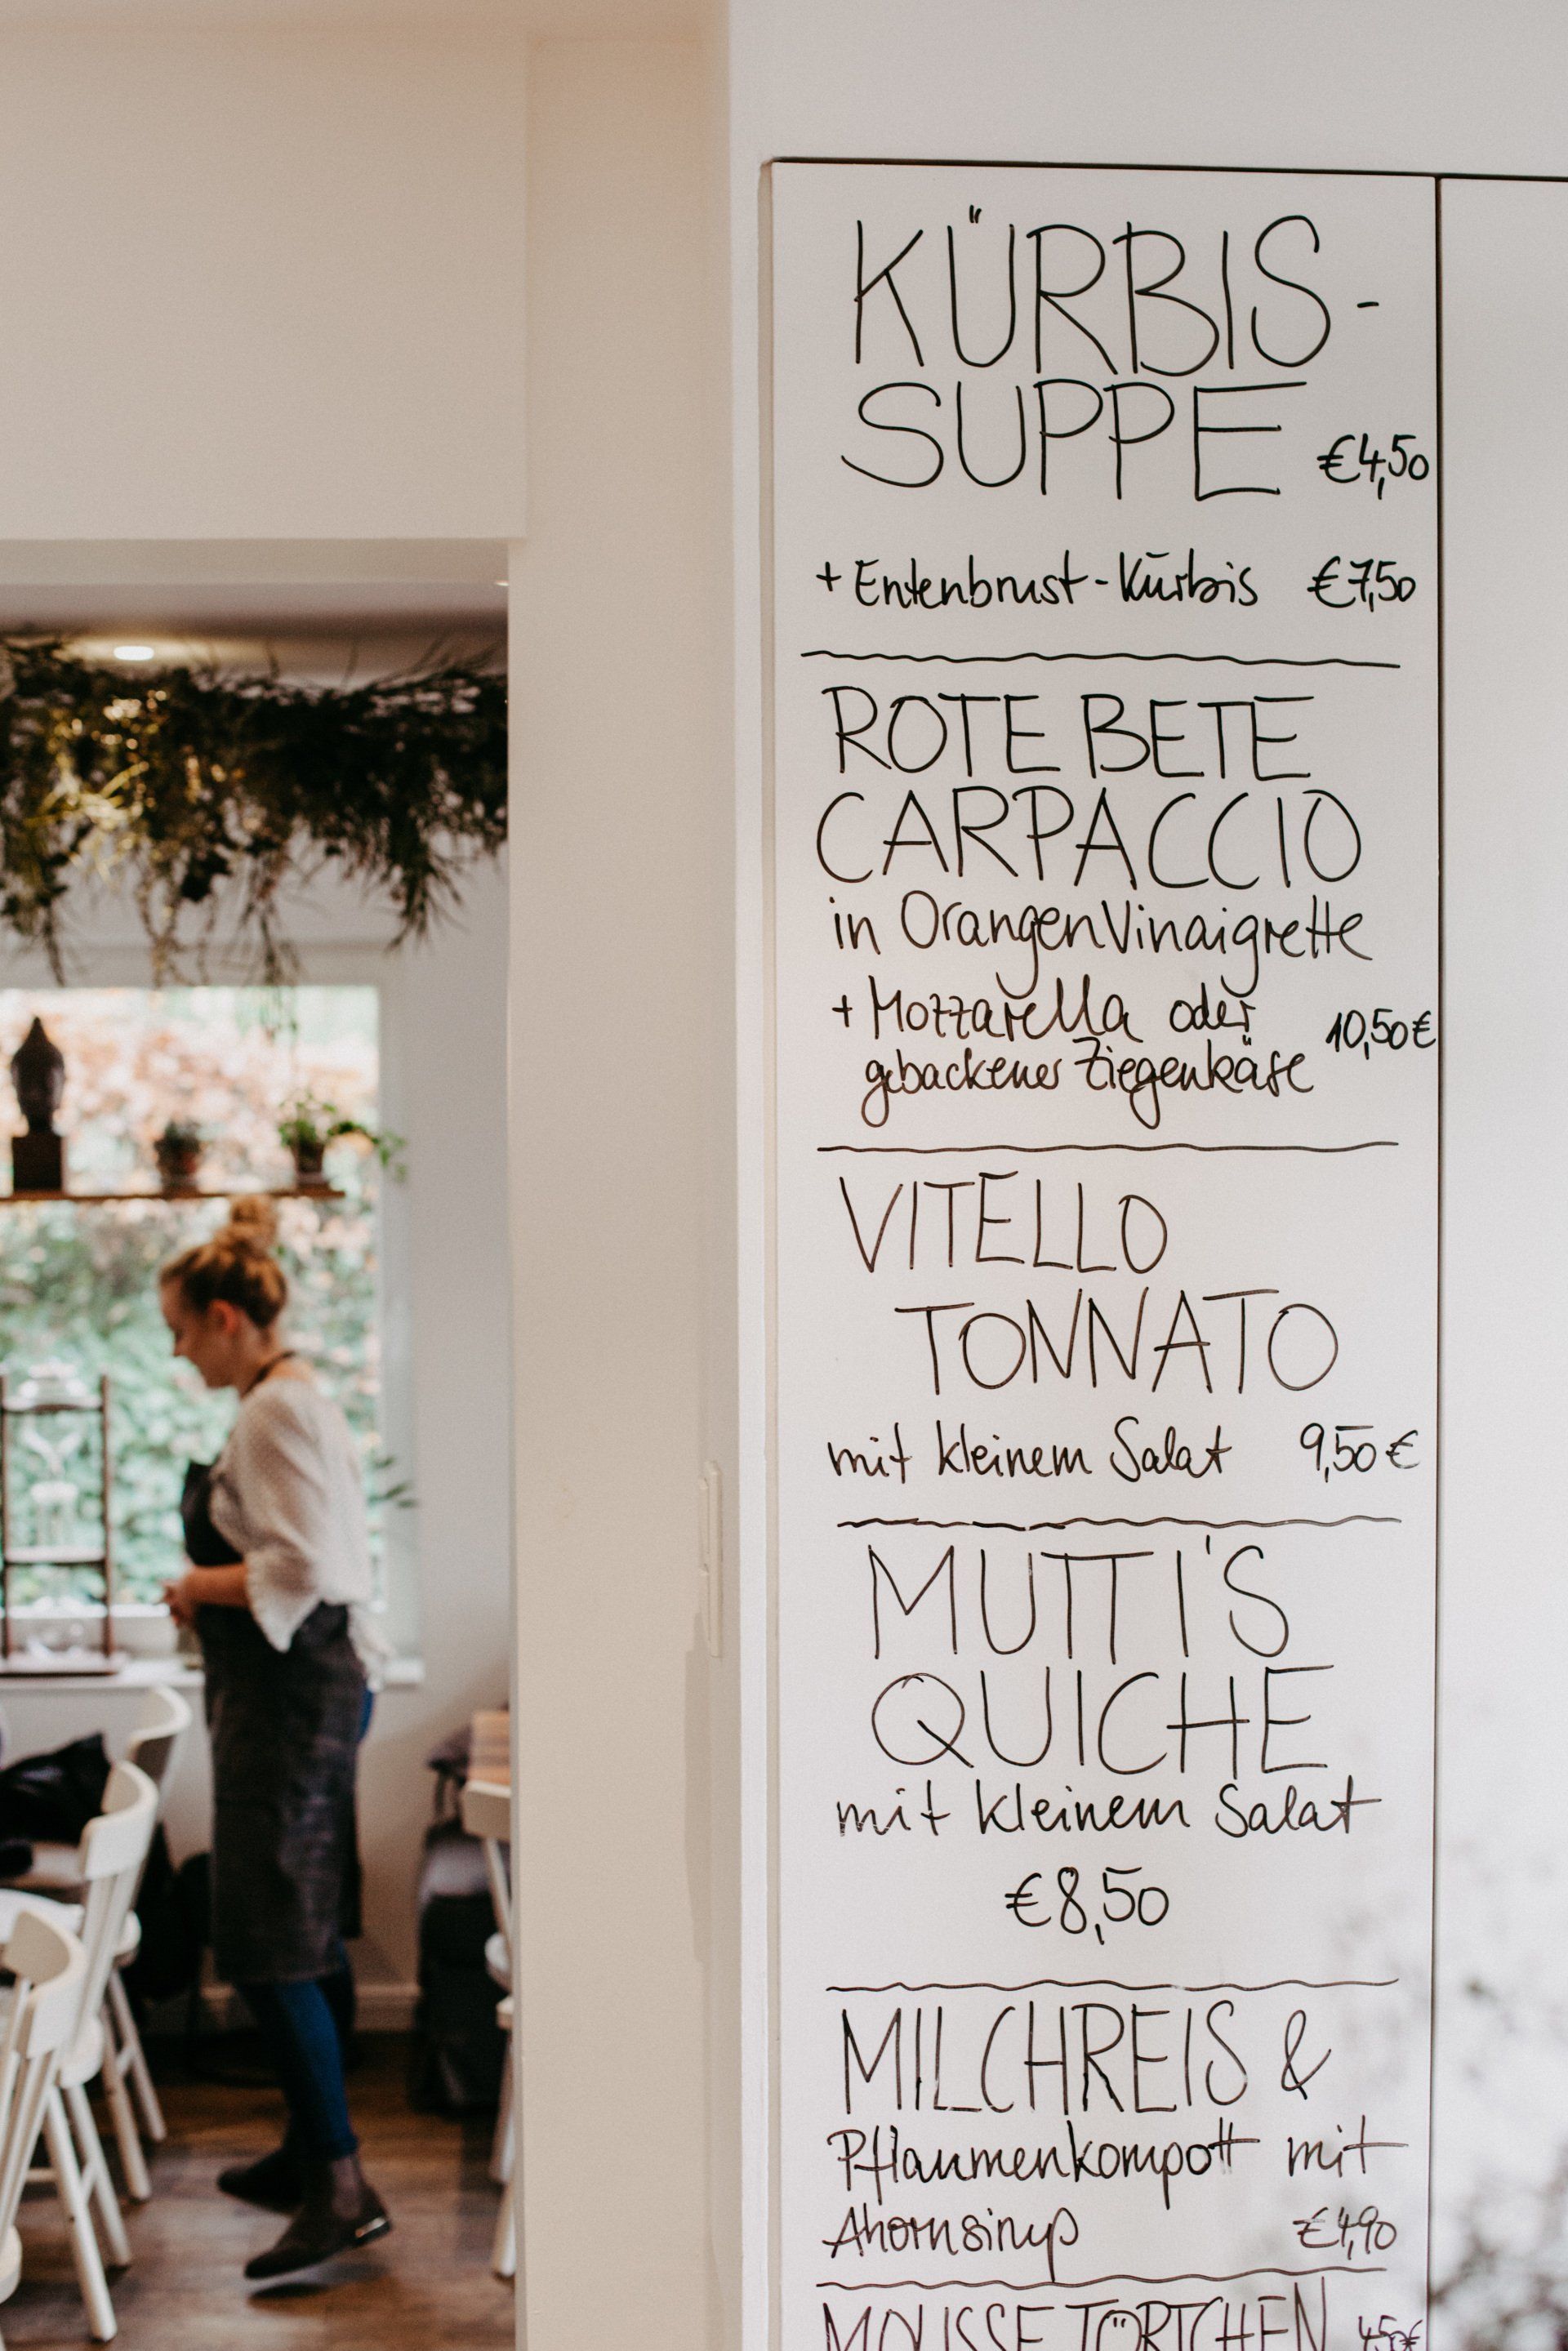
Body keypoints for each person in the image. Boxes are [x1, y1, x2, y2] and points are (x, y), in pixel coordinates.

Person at [158, 1196, 390, 2283]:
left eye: (182, 1329)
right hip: (298, 1695)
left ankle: (341, 2187)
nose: (176, 1350)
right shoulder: (286, 1399)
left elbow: (302, 1570)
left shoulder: (270, 1411)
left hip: (292, 1703)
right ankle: (311, 2152)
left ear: (224, 1317)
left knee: (264, 1939)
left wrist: (194, 1584)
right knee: (298, 1927)